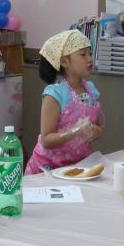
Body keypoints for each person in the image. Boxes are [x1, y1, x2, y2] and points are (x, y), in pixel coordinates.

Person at [25, 30, 103, 174]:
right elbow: (47, 140)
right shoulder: (54, 94)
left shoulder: (91, 90)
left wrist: (95, 131)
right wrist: (74, 132)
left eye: (90, 53)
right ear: (64, 62)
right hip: (48, 168)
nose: (89, 59)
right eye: (83, 54)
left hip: (77, 165)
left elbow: (98, 128)